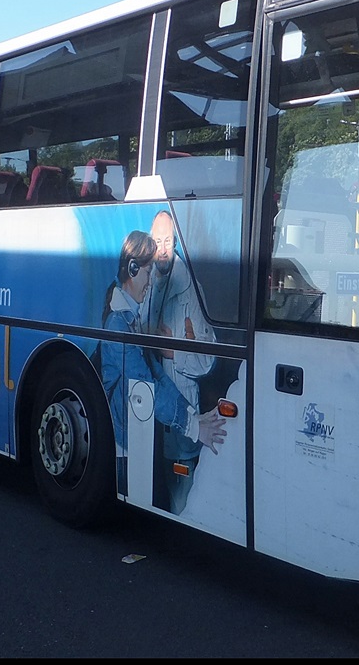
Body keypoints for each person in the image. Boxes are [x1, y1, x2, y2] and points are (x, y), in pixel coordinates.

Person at [98, 230, 226, 497]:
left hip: (134, 438)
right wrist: (194, 429)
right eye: (147, 272)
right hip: (122, 445)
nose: (150, 281)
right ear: (132, 269)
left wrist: (193, 416)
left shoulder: (130, 320)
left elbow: (157, 376)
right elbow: (146, 389)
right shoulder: (118, 325)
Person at [142, 210, 218, 514]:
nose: (162, 248)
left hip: (181, 412)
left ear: (176, 244)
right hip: (149, 411)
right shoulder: (146, 282)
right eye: (156, 241)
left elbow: (208, 360)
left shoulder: (191, 290)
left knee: (181, 504)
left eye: (168, 240)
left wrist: (175, 353)